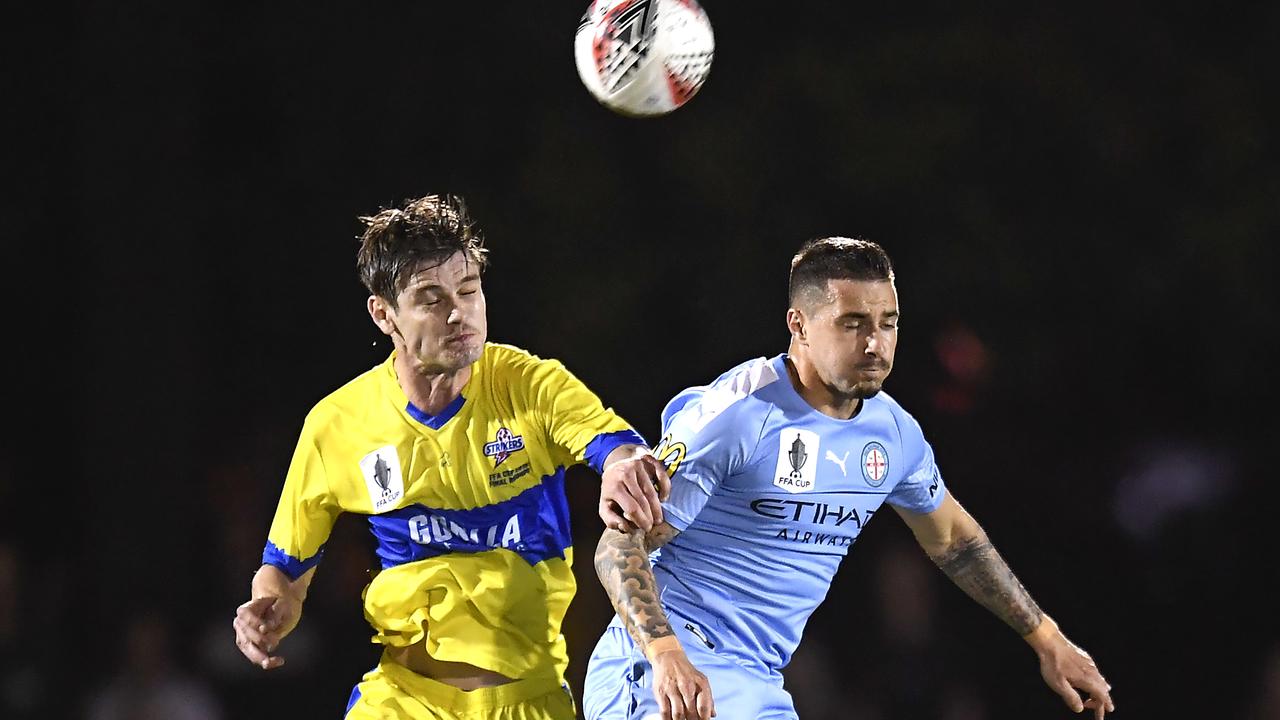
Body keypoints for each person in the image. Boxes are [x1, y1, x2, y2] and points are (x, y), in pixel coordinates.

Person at [583, 237, 1115, 720]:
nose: (875, 344)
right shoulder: (738, 415)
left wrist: (1048, 640)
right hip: (663, 672)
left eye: (888, 323)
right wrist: (666, 655)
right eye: (853, 323)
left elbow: (954, 539)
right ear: (799, 326)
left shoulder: (894, 435)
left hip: (756, 682)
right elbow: (617, 547)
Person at [232, 193, 672, 720]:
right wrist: (272, 608)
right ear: (384, 314)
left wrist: (625, 465)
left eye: (468, 290)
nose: (458, 312)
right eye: (430, 298)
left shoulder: (529, 385)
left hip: (527, 699)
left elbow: (614, 445)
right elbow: (283, 568)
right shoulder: (337, 425)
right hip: (402, 699)